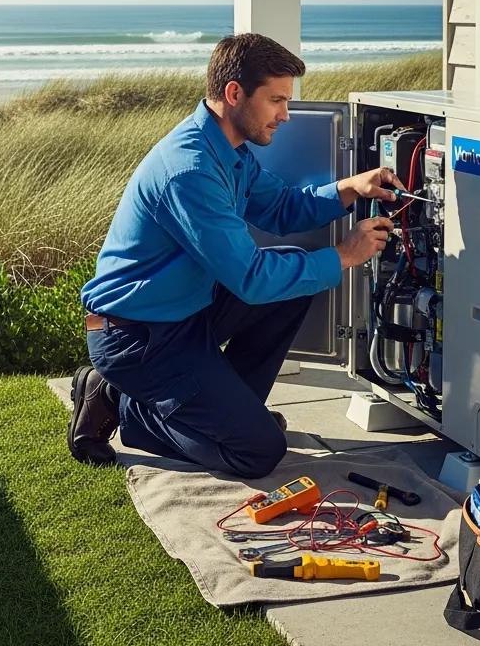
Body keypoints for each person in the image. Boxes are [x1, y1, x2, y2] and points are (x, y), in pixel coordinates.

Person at [69, 32, 399, 478]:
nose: (285, 115)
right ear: (234, 93)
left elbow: (280, 207)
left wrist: (351, 187)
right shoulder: (191, 170)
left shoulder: (229, 150)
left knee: (293, 282)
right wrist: (343, 255)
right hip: (138, 338)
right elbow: (250, 278)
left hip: (185, 313)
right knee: (258, 453)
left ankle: (232, 418)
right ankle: (119, 402)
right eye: (277, 100)